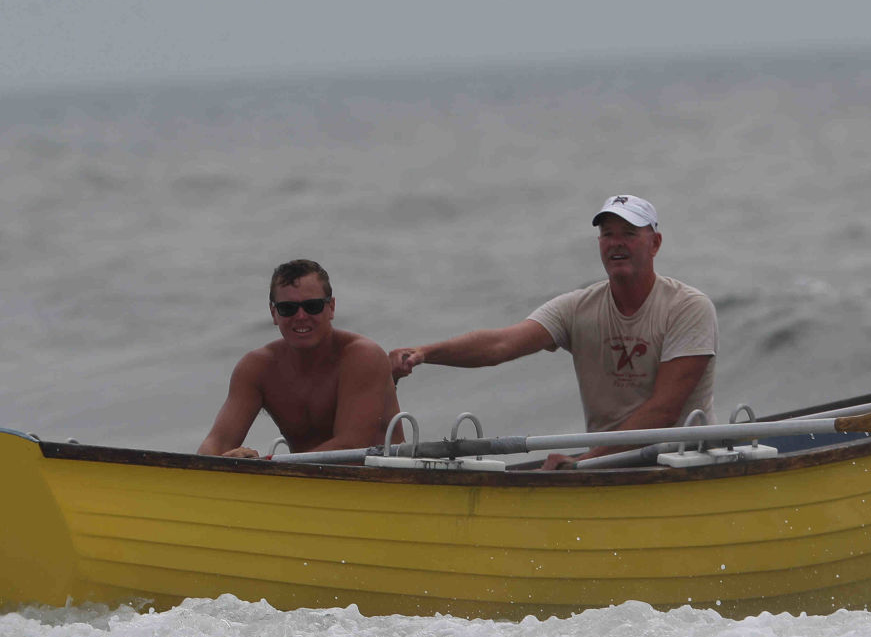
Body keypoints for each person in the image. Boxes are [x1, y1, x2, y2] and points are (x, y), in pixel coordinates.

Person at [389, 194, 716, 469]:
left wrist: (587, 460)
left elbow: (664, 410)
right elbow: (501, 344)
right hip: (604, 468)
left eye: (629, 233)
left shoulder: (688, 307)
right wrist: (425, 353)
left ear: (655, 243)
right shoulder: (577, 307)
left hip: (682, 464)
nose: (616, 243)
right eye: (608, 234)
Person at [199, 259, 402, 458]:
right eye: (288, 308)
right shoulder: (257, 367)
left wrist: (266, 466)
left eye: (312, 306)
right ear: (273, 312)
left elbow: (351, 446)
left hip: (380, 482)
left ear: (331, 307)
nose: (301, 316)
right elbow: (217, 443)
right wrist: (218, 459)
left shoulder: (363, 356)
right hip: (302, 481)